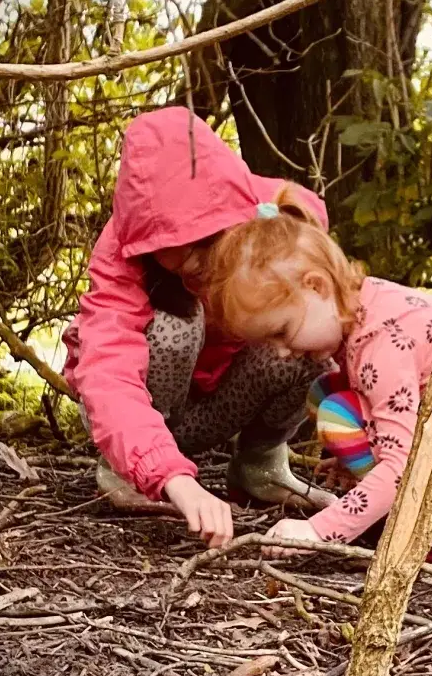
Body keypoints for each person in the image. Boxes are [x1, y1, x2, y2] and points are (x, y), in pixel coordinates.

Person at [203, 187, 432, 558]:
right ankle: (398, 512)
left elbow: (401, 468)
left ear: (316, 285)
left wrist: (318, 530)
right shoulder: (369, 306)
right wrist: (358, 461)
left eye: (280, 331)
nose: (281, 352)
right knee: (326, 391)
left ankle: (426, 532)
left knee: (335, 411)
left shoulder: (382, 342)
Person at [61, 107, 331, 549]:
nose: (193, 265)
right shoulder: (121, 256)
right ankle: (127, 474)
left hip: (212, 412)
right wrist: (169, 475)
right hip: (148, 420)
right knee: (177, 324)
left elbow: (341, 314)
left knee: (305, 334)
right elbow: (108, 372)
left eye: (206, 246)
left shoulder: (278, 217)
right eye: (173, 253)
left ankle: (260, 465)